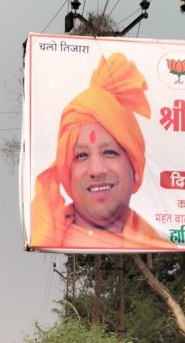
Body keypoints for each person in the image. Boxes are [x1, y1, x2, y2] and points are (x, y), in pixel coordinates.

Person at [31, 53, 175, 250]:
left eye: (109, 152)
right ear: (67, 171)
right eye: (81, 155)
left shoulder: (161, 243)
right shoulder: (46, 236)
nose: (96, 170)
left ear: (134, 167)